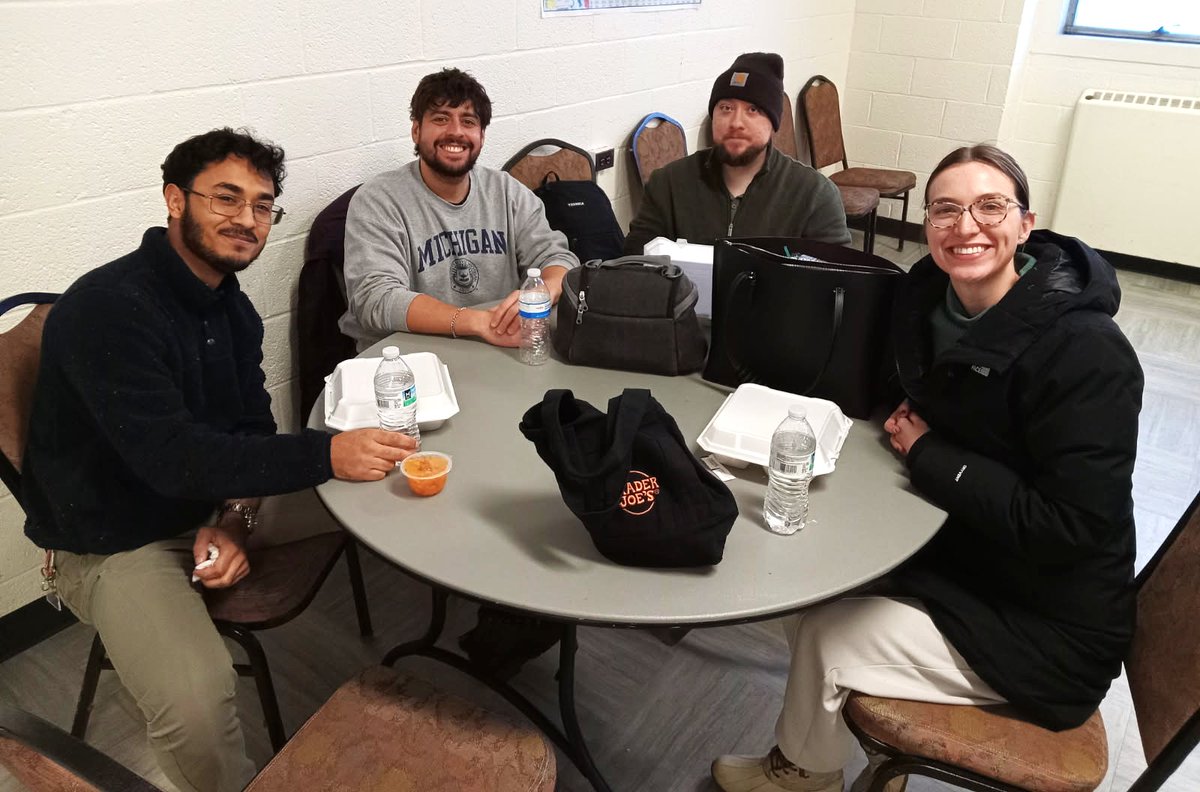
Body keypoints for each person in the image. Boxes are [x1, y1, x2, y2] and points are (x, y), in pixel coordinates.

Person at [711, 144, 1143, 792]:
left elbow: (1069, 526)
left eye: (989, 206)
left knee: (828, 634)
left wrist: (932, 453)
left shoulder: (1087, 355)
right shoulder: (932, 300)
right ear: (927, 227)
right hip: (974, 557)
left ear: (1026, 224)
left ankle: (802, 774)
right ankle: (819, 749)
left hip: (1046, 628)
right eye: (946, 209)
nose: (966, 225)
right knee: (809, 575)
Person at [22, 128, 417, 792]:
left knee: (389, 485)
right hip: (113, 538)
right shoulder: (109, 308)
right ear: (174, 200)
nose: (247, 219)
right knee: (199, 701)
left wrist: (233, 519)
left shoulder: (228, 306)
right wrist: (325, 454)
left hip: (202, 498)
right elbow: (171, 459)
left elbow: (249, 428)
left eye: (263, 205)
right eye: (226, 198)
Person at [339, 67, 579, 352]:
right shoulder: (378, 200)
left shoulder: (506, 191)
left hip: (497, 347)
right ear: (416, 130)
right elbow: (376, 298)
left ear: (481, 135)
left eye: (468, 121)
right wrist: (476, 322)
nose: (455, 132)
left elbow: (558, 258)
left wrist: (541, 293)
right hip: (408, 359)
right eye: (441, 119)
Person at [623, 52, 850, 255]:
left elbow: (837, 283)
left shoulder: (814, 195)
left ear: (773, 123)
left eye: (753, 110)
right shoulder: (668, 184)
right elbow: (635, 262)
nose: (736, 123)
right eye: (726, 108)